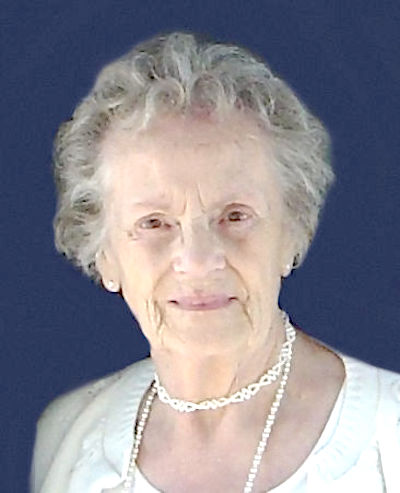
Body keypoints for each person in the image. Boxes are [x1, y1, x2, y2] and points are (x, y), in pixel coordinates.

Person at [30, 31, 400, 493]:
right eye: (154, 223)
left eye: (235, 216)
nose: (198, 261)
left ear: (293, 233)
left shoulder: (389, 432)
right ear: (104, 256)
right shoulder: (63, 439)